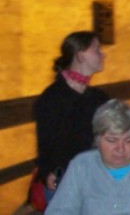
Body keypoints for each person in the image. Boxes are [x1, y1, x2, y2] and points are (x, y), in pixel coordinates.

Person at [45, 99, 130, 214]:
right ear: (97, 140)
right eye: (112, 140)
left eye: (128, 140)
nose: (120, 149)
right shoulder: (81, 166)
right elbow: (59, 210)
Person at [33, 31, 109, 205]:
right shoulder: (52, 98)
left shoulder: (99, 98)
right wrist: (47, 173)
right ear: (80, 55)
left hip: (95, 182)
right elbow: (45, 145)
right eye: (97, 49)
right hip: (65, 184)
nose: (103, 54)